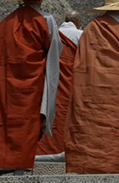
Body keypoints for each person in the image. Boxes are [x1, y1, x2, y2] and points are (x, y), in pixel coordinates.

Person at [0, 0, 62, 176]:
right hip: (30, 83)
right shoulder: (46, 19)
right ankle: (19, 170)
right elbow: (55, 49)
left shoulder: (6, 21)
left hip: (4, 82)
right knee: (25, 123)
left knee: (1, 121)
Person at [65, 0, 119, 173]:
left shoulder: (92, 27)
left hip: (90, 93)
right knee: (111, 132)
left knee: (90, 133)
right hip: (116, 93)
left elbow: (81, 64)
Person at [36, 11, 84, 160]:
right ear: (78, 23)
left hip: (51, 81)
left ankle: (43, 150)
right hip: (72, 83)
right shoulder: (81, 35)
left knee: (51, 112)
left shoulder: (53, 34)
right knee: (67, 115)